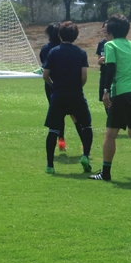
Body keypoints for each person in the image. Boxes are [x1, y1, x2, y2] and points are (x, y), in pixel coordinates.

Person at [90, 14, 131, 181]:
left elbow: (111, 69)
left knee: (110, 135)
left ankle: (106, 173)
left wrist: (106, 91)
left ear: (111, 29)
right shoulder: (130, 45)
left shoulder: (110, 45)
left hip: (121, 93)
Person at [42, 21, 93, 174]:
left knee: (53, 130)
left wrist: (54, 85)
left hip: (58, 94)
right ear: (76, 36)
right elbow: (84, 76)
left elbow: (45, 75)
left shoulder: (53, 52)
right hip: (76, 94)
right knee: (86, 125)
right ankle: (85, 156)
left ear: (60, 35)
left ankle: (50, 165)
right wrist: (77, 87)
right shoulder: (81, 53)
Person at [39, 22, 66, 151]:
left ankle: (60, 140)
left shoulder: (45, 48)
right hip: (67, 84)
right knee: (74, 114)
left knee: (56, 113)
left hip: (50, 85)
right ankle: (85, 146)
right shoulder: (65, 47)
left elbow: (44, 67)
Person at [96, 21, 110, 111]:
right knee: (105, 101)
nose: (104, 29)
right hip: (104, 75)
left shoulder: (114, 43)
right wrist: (100, 61)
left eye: (107, 27)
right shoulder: (101, 43)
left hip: (112, 74)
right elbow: (98, 60)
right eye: (103, 27)